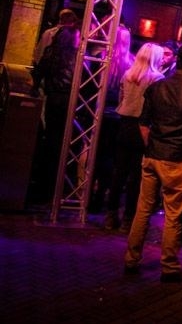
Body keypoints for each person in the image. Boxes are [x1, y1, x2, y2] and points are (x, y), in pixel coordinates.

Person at [124, 42, 182, 283]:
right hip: (176, 158)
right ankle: (169, 266)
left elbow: (143, 124)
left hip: (152, 156)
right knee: (173, 214)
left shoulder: (157, 85)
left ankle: (131, 259)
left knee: (143, 209)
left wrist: (151, 145)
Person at [104, 42, 164, 231]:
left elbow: (121, 99)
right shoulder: (157, 79)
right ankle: (129, 218)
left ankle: (111, 215)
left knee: (119, 173)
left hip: (124, 125)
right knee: (136, 177)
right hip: (143, 128)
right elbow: (156, 108)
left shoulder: (127, 75)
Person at [28, 15, 81, 204]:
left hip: (53, 99)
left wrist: (35, 89)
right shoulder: (79, 57)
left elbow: (38, 74)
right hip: (72, 102)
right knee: (68, 143)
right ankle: (61, 187)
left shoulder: (51, 53)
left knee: (51, 139)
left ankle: (44, 186)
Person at [91, 24, 136, 213]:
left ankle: (89, 194)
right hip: (119, 116)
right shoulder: (132, 63)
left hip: (98, 112)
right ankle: (102, 195)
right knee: (111, 157)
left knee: (95, 153)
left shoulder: (100, 58)